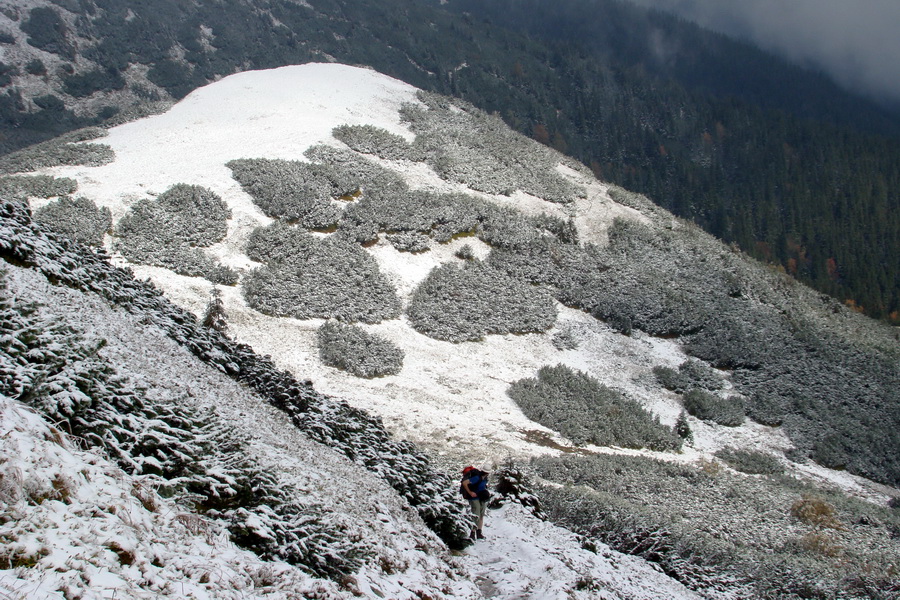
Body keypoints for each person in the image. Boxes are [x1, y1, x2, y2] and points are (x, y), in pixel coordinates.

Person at [460, 466, 490, 540]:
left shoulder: (484, 478)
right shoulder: (477, 477)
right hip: (474, 498)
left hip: (481, 497)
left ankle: (478, 532)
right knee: (476, 515)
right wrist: (470, 493)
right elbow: (465, 483)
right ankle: (473, 533)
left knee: (480, 515)